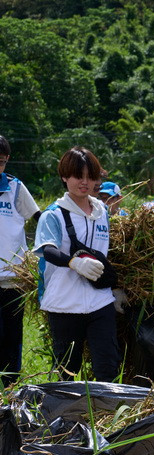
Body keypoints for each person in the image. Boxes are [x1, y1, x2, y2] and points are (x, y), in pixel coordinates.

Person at [33, 147, 121, 382]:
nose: (84, 182)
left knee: (107, 365)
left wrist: (116, 289)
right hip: (63, 302)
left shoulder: (102, 213)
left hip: (99, 300)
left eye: (90, 177)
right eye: (77, 176)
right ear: (64, 176)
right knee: (67, 368)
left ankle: (106, 415)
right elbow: (47, 250)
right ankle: (66, 416)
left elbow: (107, 253)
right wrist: (74, 263)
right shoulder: (53, 214)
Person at [0, 135, 39, 384]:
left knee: (12, 337)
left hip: (13, 278)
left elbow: (39, 217)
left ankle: (10, 391)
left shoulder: (15, 188)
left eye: (1, 162)